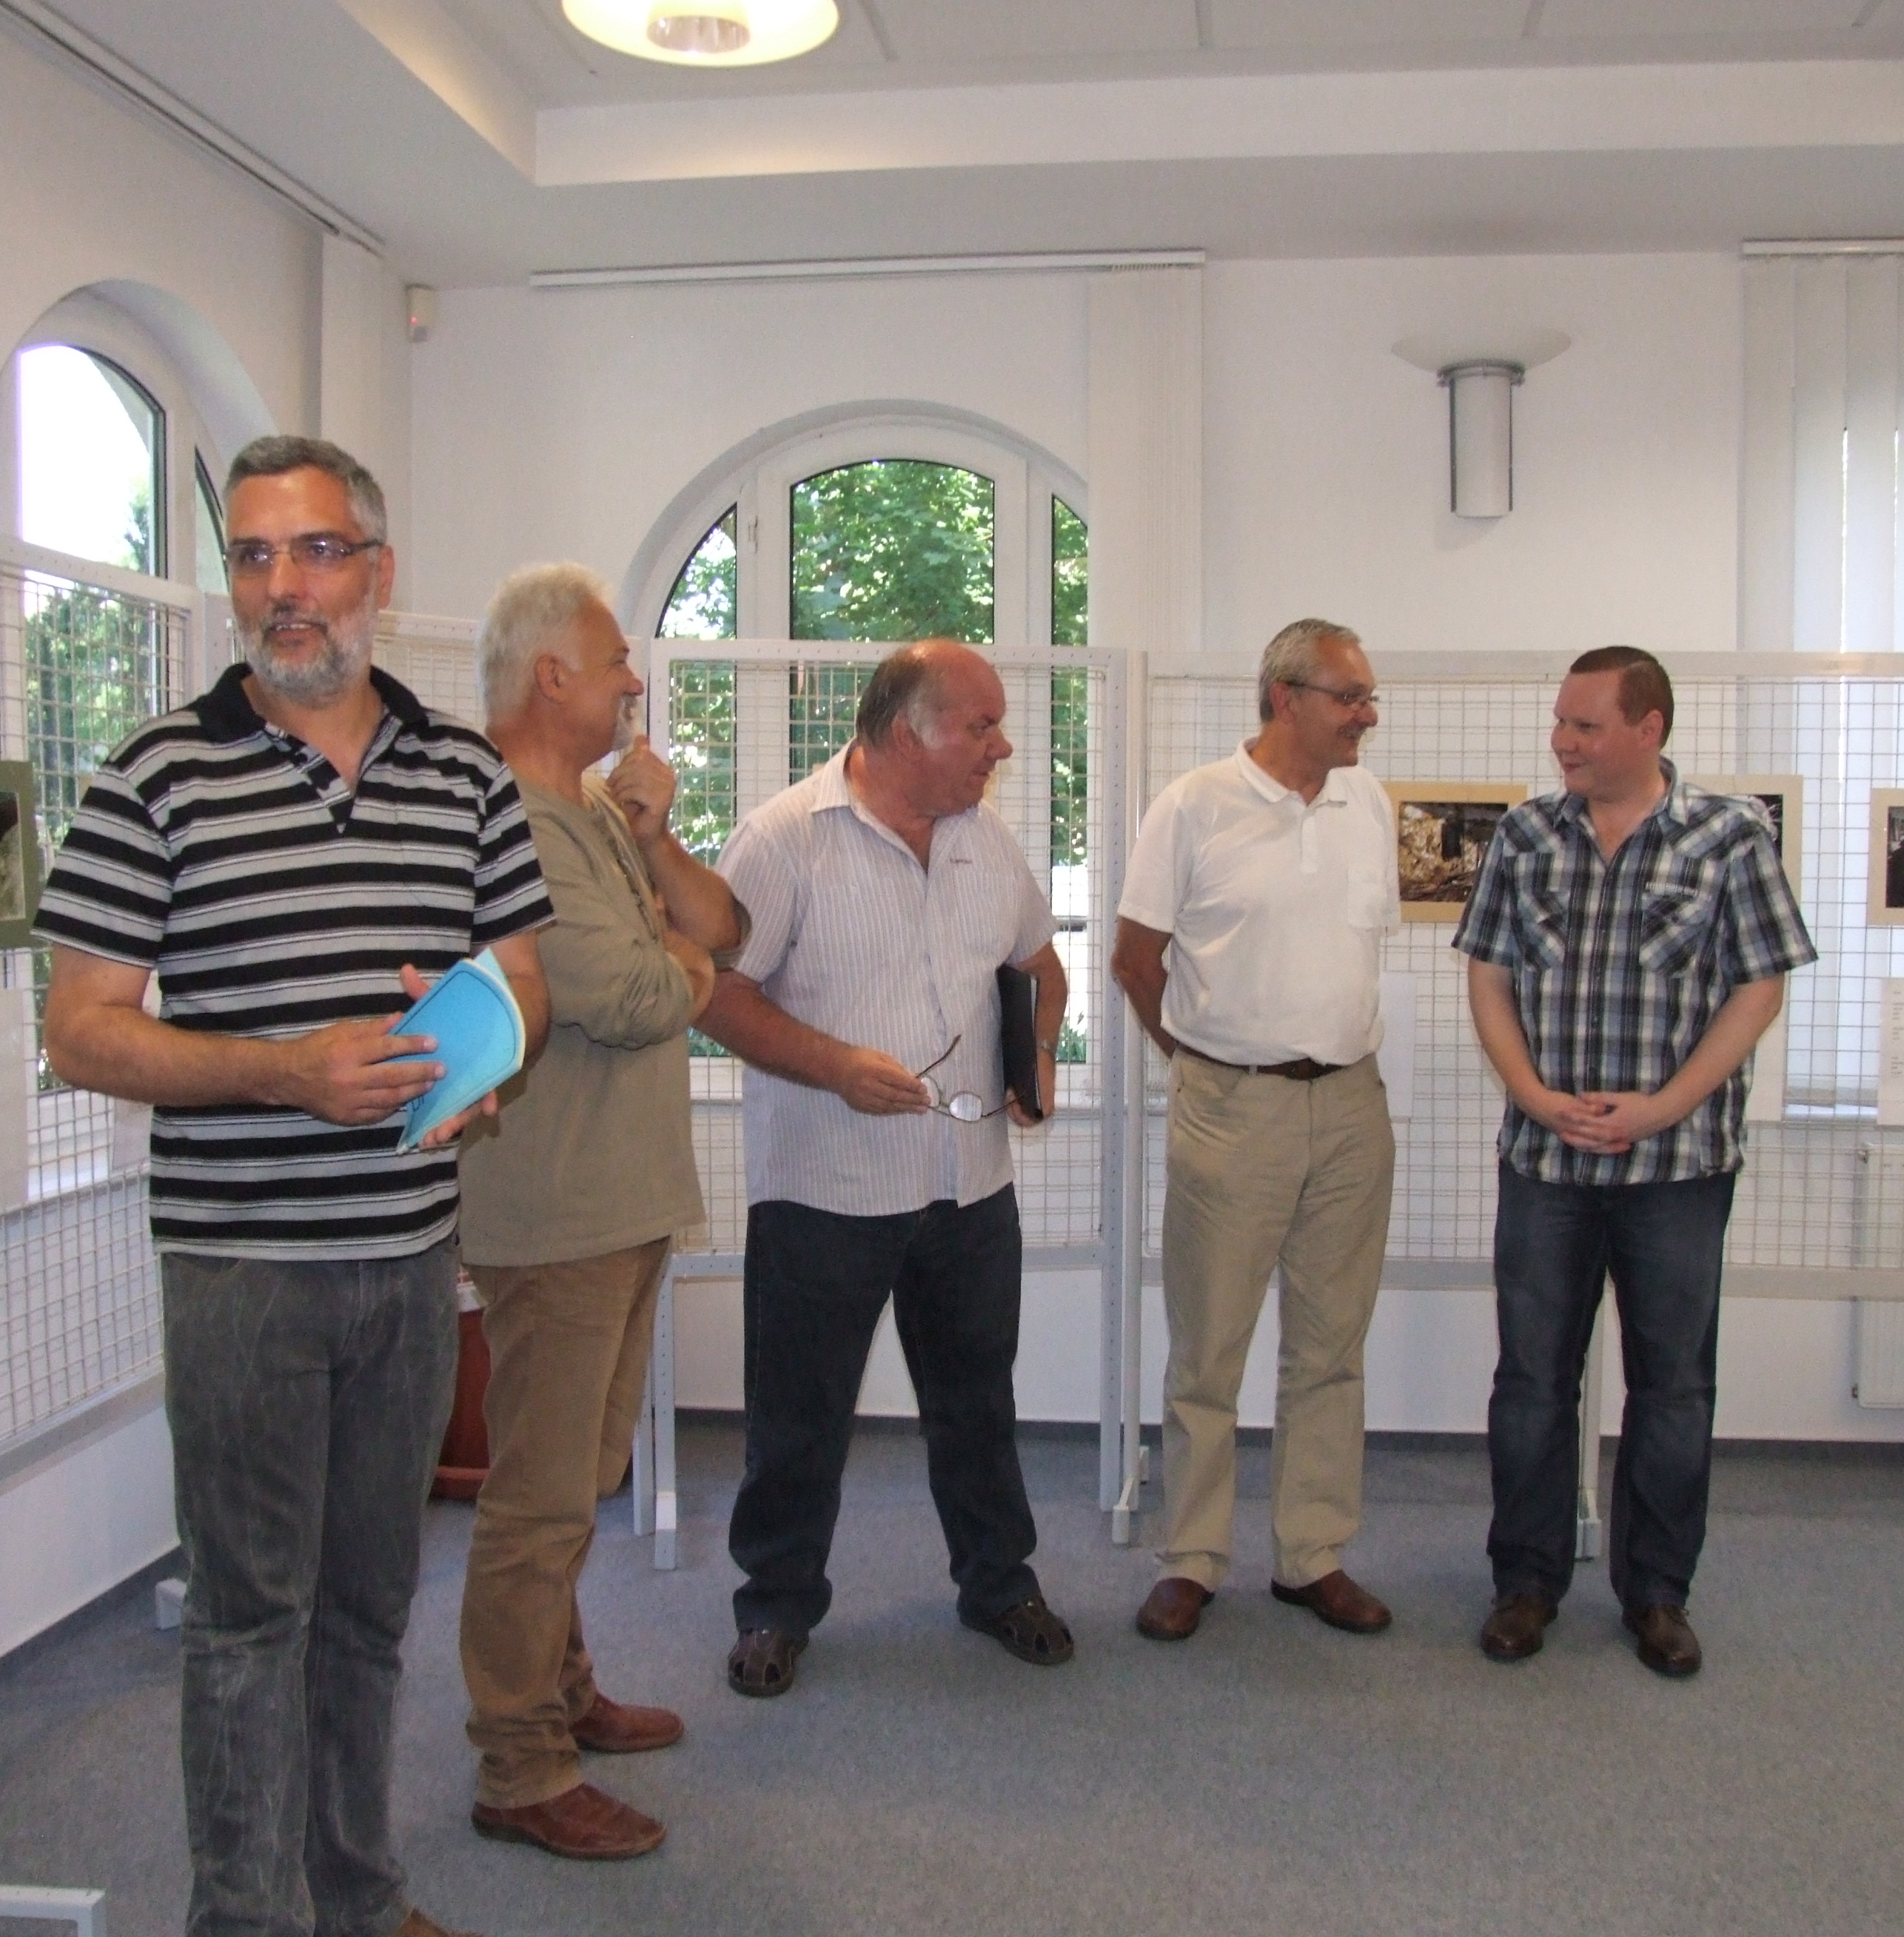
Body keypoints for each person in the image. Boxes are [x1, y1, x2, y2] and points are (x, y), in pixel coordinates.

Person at [36, 436, 552, 1937]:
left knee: (369, 1611)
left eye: (317, 551)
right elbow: (80, 1032)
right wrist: (284, 1073)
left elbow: (519, 976)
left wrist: (483, 1063)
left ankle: (359, 1896)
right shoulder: (155, 776)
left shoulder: (464, 774)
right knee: (249, 1622)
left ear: (377, 572)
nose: (284, 587)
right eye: (254, 556)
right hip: (241, 1270)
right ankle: (247, 1921)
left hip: (409, 1263)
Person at [701, 639, 1073, 1696]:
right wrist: (834, 1067)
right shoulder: (783, 840)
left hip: (969, 1185)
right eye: (983, 726)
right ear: (910, 731)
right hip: (826, 1188)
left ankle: (999, 1585)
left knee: (977, 1406)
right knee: (798, 1419)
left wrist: (1037, 1055)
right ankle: (774, 1608)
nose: (1002, 747)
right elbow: (715, 994)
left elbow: (1041, 967)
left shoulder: (985, 839)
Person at [453, 566, 745, 1860]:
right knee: (540, 1504)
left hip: (613, 1204)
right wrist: (680, 964)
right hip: (556, 1214)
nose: (635, 680)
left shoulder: (584, 812)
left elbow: (716, 933)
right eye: (617, 658)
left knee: (581, 1482)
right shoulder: (510, 818)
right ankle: (520, 1769)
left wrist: (658, 867)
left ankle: (562, 1698)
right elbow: (630, 997)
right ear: (551, 675)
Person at [1456, 645, 1815, 1678]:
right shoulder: (1526, 835)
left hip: (1680, 1170)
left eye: (1585, 725)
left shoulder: (1730, 835)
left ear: (1648, 728)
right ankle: (1525, 1584)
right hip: (1546, 1166)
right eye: (1560, 723)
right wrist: (1531, 1095)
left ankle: (1657, 1594)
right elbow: (1488, 977)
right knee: (1532, 1383)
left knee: (1673, 1391)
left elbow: (1759, 988)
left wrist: (1663, 1107)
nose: (1562, 742)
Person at [1111, 618, 1401, 1643]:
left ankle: (1312, 1554)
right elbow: (1135, 960)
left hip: (1353, 1108)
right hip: (1232, 1108)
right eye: (1350, 697)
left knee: (1332, 1347)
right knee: (1210, 1350)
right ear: (1285, 697)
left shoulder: (1368, 804)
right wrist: (1200, 1061)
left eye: (1367, 698)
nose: (1368, 716)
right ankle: (1191, 1558)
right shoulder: (1194, 806)